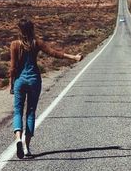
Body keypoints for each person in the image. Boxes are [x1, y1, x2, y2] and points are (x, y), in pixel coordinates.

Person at [9, 18, 82, 159]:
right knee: (30, 112)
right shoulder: (36, 43)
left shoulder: (14, 45)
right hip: (34, 80)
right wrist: (73, 57)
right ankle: (27, 148)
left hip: (20, 80)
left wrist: (12, 83)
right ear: (32, 29)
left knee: (18, 111)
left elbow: (12, 68)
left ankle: (18, 139)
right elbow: (54, 53)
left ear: (20, 30)